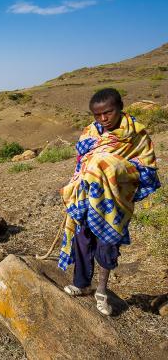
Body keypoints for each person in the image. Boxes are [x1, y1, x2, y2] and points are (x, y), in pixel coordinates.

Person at [59, 88, 161, 316]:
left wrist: (112, 167)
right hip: (87, 197)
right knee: (83, 240)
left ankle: (102, 292)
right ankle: (82, 283)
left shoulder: (136, 134)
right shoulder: (89, 134)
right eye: (97, 115)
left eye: (108, 112)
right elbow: (81, 164)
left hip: (115, 200)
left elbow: (147, 170)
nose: (103, 119)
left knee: (107, 245)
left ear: (120, 107)